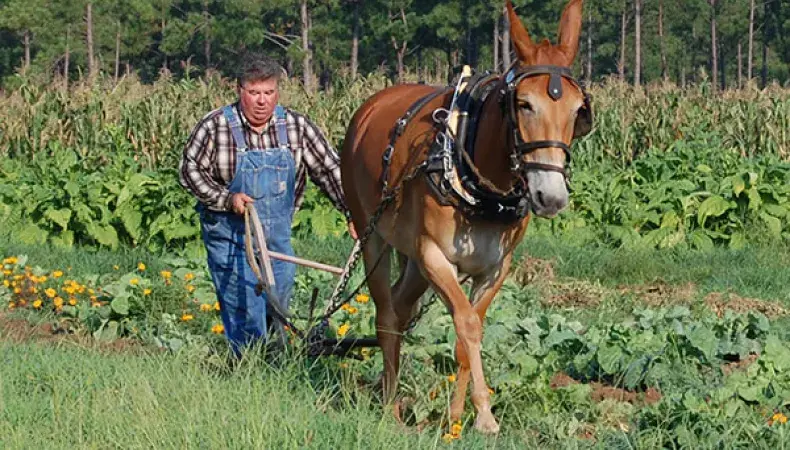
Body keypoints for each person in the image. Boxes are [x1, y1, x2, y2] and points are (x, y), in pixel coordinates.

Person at [179, 52, 356, 357]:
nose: (262, 100)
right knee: (244, 303)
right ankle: (250, 368)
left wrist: (352, 212)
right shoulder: (215, 126)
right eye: (254, 92)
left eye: (269, 92)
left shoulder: (297, 127)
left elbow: (329, 170)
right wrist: (226, 199)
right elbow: (189, 171)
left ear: (277, 92)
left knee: (278, 302)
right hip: (231, 236)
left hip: (276, 236)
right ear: (240, 90)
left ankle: (276, 360)